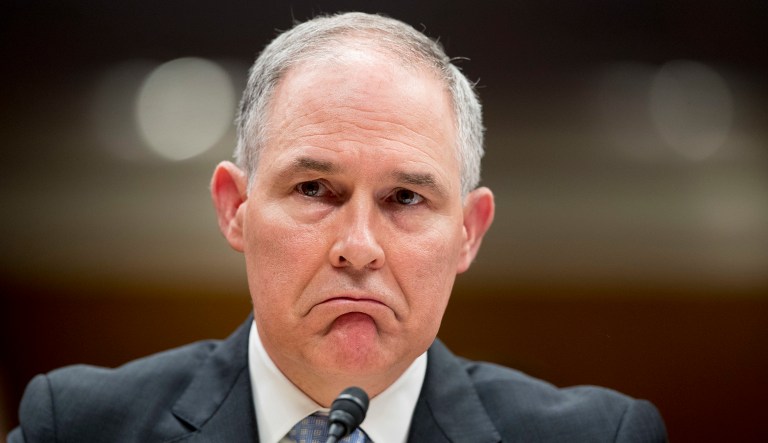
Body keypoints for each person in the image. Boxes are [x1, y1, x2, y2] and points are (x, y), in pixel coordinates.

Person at [9, 12, 667, 443]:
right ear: (235, 207)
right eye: (315, 189)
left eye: (405, 197)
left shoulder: (600, 436)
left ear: (469, 231)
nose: (358, 248)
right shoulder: (76, 427)